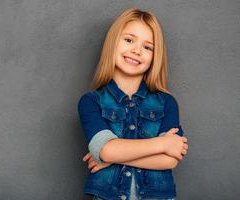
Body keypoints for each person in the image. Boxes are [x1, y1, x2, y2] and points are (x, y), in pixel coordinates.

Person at [77, 7, 188, 200]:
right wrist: (163, 143)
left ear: (155, 56)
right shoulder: (91, 102)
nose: (137, 50)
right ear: (113, 43)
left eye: (148, 47)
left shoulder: (167, 103)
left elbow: (170, 160)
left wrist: (112, 160)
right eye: (129, 40)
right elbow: (107, 149)